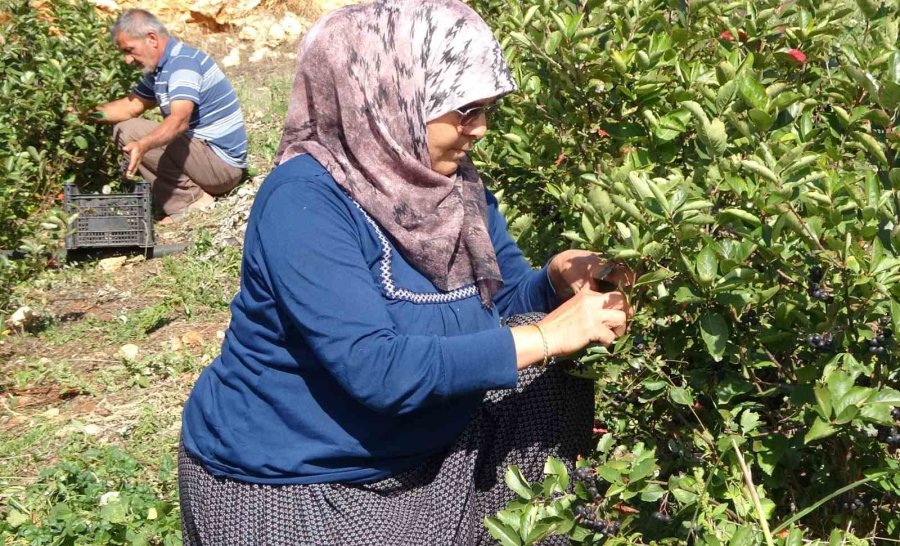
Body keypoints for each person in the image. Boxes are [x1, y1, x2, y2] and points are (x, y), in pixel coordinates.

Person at [177, 0, 632, 544]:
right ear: (388, 97)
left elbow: (499, 302)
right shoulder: (305, 202)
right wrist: (548, 334)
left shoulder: (453, 186)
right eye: (465, 110)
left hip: (418, 445)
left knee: (547, 367)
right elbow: (375, 369)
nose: (481, 129)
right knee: (542, 345)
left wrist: (555, 280)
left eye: (487, 109)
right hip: (308, 481)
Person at [92, 9, 248, 223]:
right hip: (209, 160)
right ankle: (188, 195)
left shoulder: (182, 64)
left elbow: (179, 121)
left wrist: (143, 144)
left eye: (130, 50)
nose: (127, 60)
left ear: (152, 39)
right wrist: (80, 115)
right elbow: (130, 107)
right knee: (129, 127)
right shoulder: (161, 69)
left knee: (129, 131)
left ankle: (192, 202)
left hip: (222, 167)